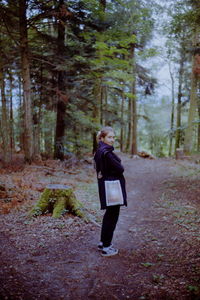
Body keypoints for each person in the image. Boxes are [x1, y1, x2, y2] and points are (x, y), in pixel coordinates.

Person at [94, 126, 127, 257]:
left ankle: (103, 242)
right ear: (102, 138)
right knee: (112, 215)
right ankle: (107, 247)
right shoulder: (106, 152)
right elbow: (120, 168)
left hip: (107, 185)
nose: (112, 140)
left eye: (113, 137)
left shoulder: (100, 150)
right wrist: (119, 166)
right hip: (111, 187)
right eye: (109, 137)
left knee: (109, 214)